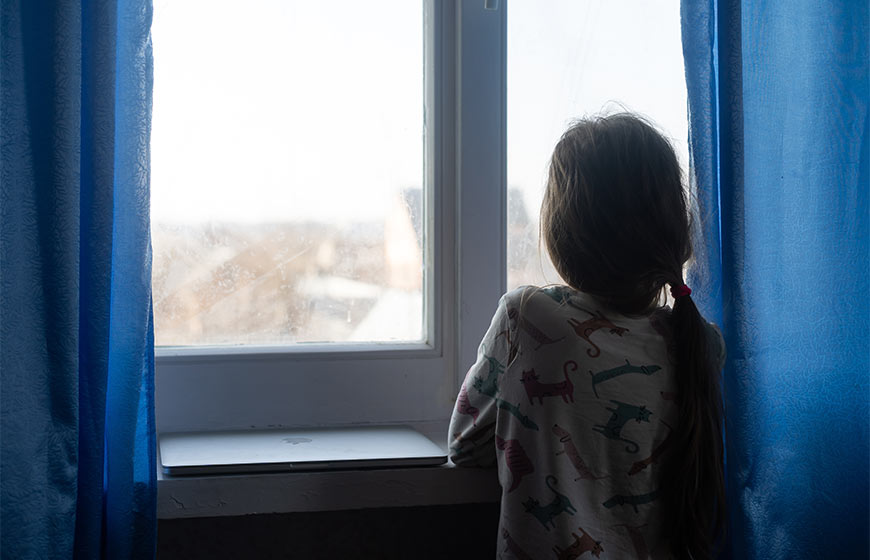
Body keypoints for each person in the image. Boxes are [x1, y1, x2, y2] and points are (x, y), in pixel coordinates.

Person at [448, 113, 726, 559]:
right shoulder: (702, 344)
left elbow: (464, 446)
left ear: (565, 233)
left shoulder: (529, 317)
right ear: (676, 231)